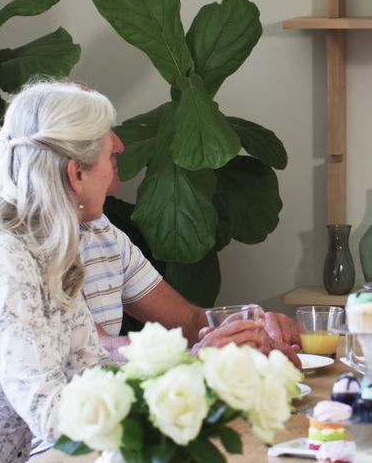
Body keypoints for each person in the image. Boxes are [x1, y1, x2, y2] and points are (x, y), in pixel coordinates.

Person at [0, 82, 270, 463]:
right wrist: (187, 373)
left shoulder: (52, 248)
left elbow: (91, 373)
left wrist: (192, 365)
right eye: (109, 160)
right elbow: (53, 416)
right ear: (76, 173)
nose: (116, 173)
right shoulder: (3, 260)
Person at [81, 132, 302, 366]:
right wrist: (190, 358)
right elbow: (93, 348)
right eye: (100, 132)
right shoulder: (41, 244)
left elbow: (187, 320)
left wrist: (252, 329)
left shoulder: (103, 231)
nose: (119, 145)